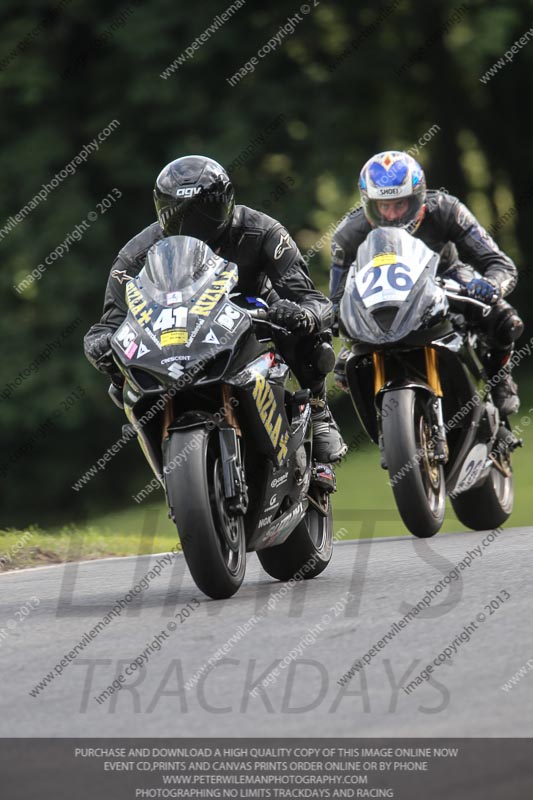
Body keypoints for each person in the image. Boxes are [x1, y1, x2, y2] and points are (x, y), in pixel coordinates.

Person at [84, 155, 347, 463]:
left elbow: (313, 300)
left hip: (252, 312)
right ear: (163, 212)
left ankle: (318, 411)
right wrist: (100, 344)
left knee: (305, 335)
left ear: (228, 202)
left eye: (205, 209)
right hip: (179, 331)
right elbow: (107, 326)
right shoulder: (135, 254)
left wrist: (304, 315)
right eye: (181, 213)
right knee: (119, 377)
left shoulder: (262, 230)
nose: (195, 223)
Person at [330, 150, 524, 416]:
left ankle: (499, 377)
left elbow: (500, 264)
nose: (392, 215)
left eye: (400, 204)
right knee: (343, 367)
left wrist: (491, 285)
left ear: (419, 198)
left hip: (446, 278)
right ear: (369, 205)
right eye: (382, 206)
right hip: (381, 299)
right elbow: (337, 298)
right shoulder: (347, 234)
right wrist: (339, 333)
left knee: (504, 318)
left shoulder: (447, 208)